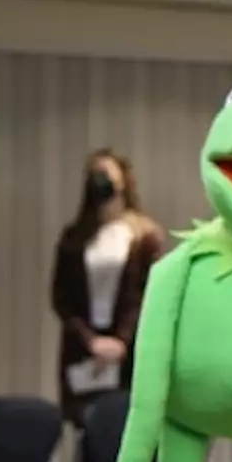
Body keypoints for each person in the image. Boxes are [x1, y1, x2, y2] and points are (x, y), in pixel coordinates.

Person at [51, 148, 165, 425]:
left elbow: (148, 293)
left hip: (128, 348)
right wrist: (91, 340)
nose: (99, 180)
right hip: (84, 348)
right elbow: (61, 297)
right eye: (94, 174)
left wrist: (121, 341)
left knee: (125, 427)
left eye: (105, 173)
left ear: (123, 180)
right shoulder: (75, 236)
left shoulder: (145, 235)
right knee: (85, 429)